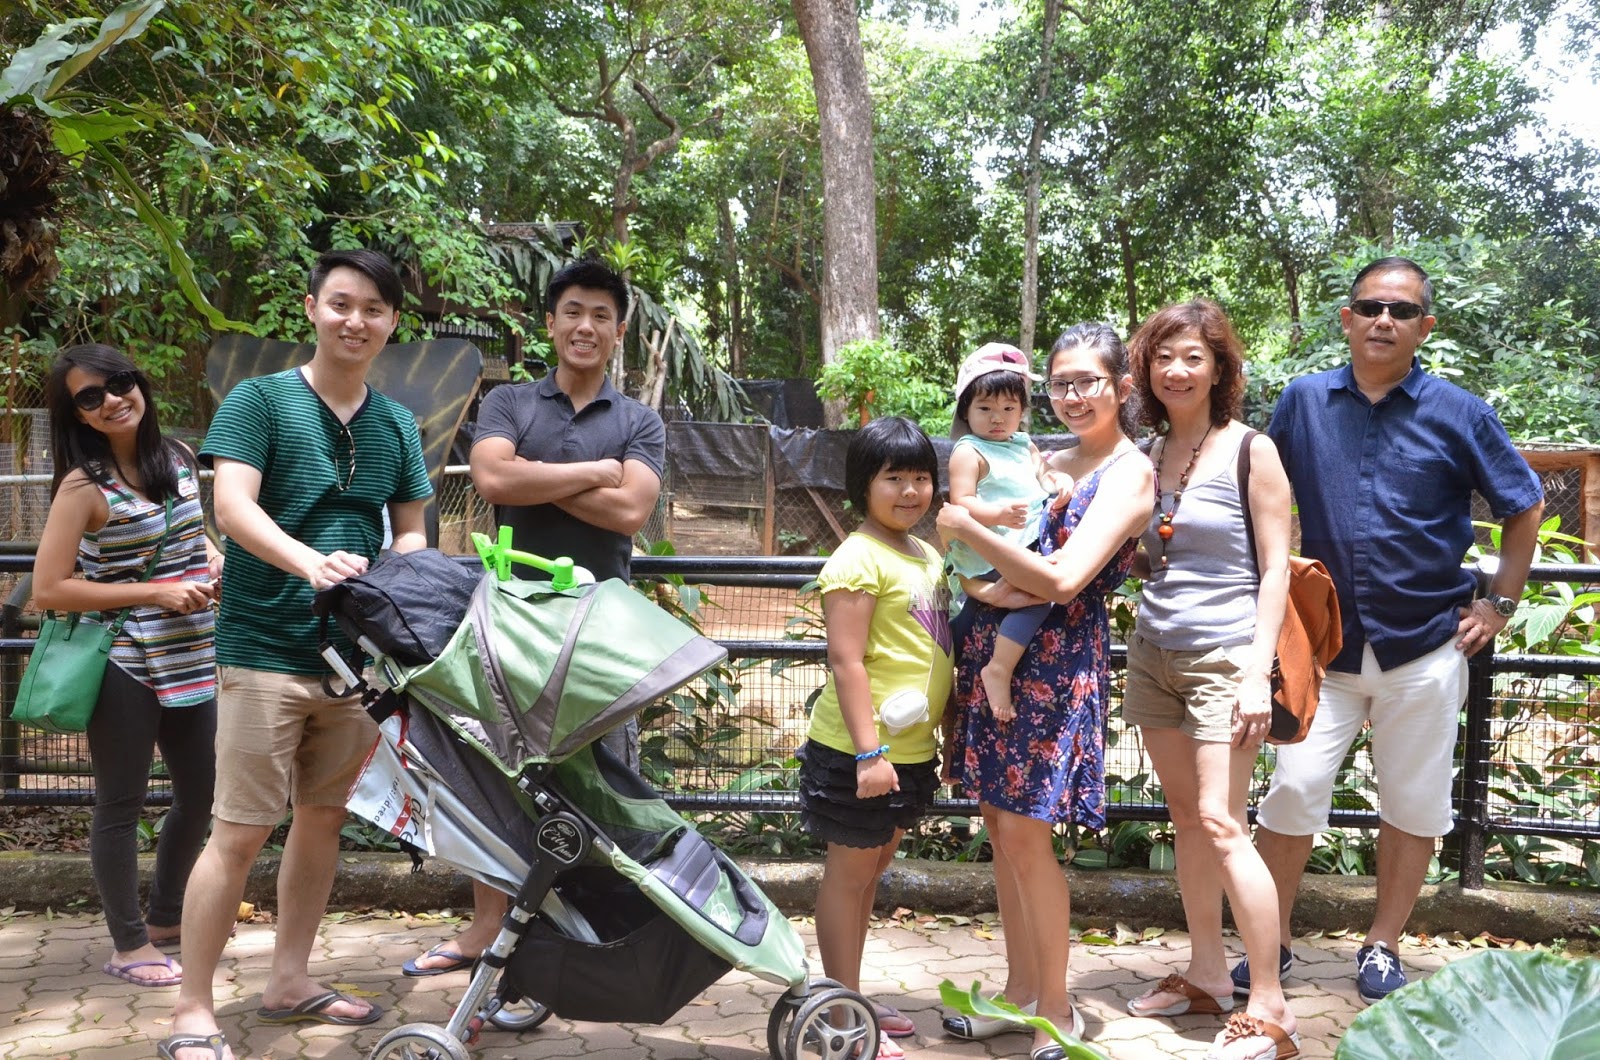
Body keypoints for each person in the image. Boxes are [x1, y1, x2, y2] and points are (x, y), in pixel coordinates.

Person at [1233, 257, 1544, 1010]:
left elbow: (1524, 503)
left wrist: (1498, 605)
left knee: (1413, 803)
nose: (1384, 320)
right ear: (1347, 318)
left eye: (1401, 311)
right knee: (1292, 793)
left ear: (1423, 327)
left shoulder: (1461, 412)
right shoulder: (1304, 402)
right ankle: (1270, 943)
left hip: (1427, 643)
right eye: (1370, 306)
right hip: (1325, 648)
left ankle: (1383, 944)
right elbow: (1262, 498)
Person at [163, 249, 433, 1060]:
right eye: (342, 303)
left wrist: (397, 579)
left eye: (375, 309)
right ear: (312, 308)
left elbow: (412, 532)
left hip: (354, 662)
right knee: (239, 833)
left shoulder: (395, 424)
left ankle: (288, 981)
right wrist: (310, 563)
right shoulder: (260, 401)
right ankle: (192, 1008)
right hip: (262, 651)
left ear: (392, 322)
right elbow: (232, 507)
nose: (357, 320)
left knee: (322, 821)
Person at [404, 257, 666, 977]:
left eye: (601, 316)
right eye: (573, 312)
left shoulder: (639, 421)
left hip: (602, 631)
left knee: (606, 781)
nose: (586, 326)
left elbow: (631, 510)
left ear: (618, 332)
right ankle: (486, 932)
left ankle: (599, 941)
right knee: (498, 776)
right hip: (508, 624)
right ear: (551, 323)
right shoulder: (510, 402)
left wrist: (536, 479)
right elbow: (492, 478)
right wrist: (594, 472)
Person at [936, 323, 1154, 1060]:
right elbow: (970, 556)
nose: (1072, 395)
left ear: (1121, 387)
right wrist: (974, 580)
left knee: (1028, 834)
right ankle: (1021, 991)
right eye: (1061, 383)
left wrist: (964, 528)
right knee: (1001, 830)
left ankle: (1055, 1011)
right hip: (992, 650)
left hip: (1055, 665)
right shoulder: (1042, 460)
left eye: (1087, 381)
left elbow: (1062, 579)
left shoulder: (1129, 474)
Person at [1117, 302, 1299, 1060]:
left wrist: (1258, 673)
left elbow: (1276, 567)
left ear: (1220, 367)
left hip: (1227, 657)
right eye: (1163, 357)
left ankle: (1271, 1004)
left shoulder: (1252, 450)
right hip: (1154, 653)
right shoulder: (1146, 453)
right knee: (1188, 821)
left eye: (1193, 356)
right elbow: (1150, 551)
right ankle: (1205, 973)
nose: (1177, 370)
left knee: (1224, 824)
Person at [33, 345, 221, 991]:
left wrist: (214, 562)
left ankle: (167, 918)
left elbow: (193, 536)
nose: (113, 400)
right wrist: (154, 593)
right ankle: (128, 942)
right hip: (124, 659)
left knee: (201, 794)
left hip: (192, 651)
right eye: (91, 397)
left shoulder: (179, 457)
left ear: (138, 382)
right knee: (120, 803)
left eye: (118, 383)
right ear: (79, 416)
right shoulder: (82, 486)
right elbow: (49, 588)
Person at [799, 414, 952, 1059]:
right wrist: (869, 753)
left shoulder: (926, 554)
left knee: (871, 873)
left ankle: (851, 996)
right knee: (849, 876)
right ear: (863, 484)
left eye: (921, 477)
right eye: (894, 478)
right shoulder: (857, 558)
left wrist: (945, 738)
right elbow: (847, 661)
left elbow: (938, 653)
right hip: (860, 753)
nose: (911, 491)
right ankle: (838, 1013)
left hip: (908, 753)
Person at [945, 342, 1072, 721]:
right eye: (985, 408)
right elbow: (961, 502)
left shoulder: (1023, 444)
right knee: (1039, 595)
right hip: (989, 553)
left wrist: (1058, 479)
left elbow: (1043, 473)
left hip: (1020, 545)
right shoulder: (968, 451)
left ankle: (993, 661)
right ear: (966, 410)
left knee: (1040, 591)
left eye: (1008, 409)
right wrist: (996, 512)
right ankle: (998, 668)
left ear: (1021, 410)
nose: (997, 418)